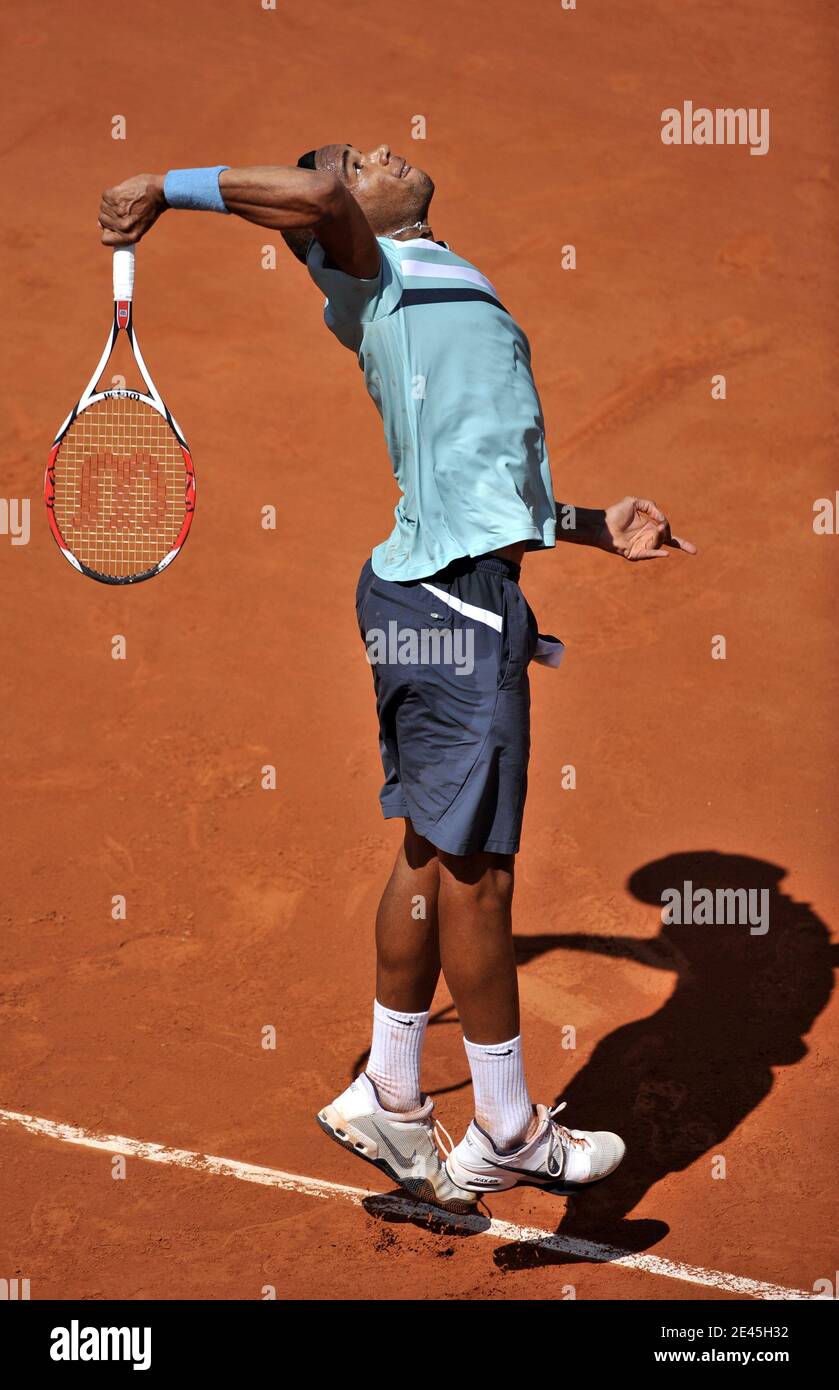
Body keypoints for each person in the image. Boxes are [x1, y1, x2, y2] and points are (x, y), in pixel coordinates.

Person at [99, 144, 696, 1216]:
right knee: (481, 876)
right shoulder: (368, 271)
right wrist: (167, 188)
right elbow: (317, 200)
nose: (371, 151)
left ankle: (387, 1087)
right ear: (332, 225)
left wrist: (591, 527)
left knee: (430, 848)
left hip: (448, 593)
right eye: (344, 161)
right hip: (452, 608)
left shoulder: (420, 276)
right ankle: (507, 1124)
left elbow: (477, 479)